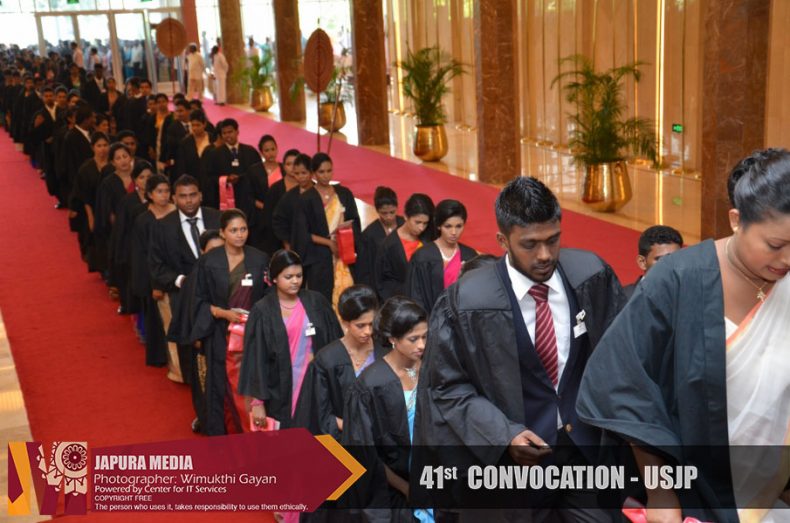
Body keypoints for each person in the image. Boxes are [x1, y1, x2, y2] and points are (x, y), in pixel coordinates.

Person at [577, 149, 790, 523]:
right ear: (736, 220)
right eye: (775, 245)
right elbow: (624, 387)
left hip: (773, 483)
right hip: (692, 490)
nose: (787, 259)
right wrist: (661, 493)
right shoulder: (677, 279)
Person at [412, 176, 626, 522]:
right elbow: (445, 387)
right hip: (513, 470)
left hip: (584, 455)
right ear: (503, 241)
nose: (544, 255)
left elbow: (621, 359)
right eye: (530, 244)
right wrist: (504, 433)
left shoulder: (591, 276)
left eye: (553, 240)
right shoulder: (467, 302)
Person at [342, 296, 432, 523]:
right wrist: (405, 487)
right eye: (413, 339)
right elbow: (365, 453)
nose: (421, 345)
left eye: (425, 336)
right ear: (393, 338)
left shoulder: (431, 370)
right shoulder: (370, 385)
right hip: (393, 493)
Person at [239, 250, 342, 429]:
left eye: (299, 276)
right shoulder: (262, 311)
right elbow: (256, 358)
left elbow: (335, 341)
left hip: (315, 381)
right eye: (288, 277)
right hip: (280, 387)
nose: (295, 281)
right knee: (287, 436)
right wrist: (257, 402)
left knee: (318, 430)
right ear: (274, 278)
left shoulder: (316, 301)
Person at [191, 209, 269, 435]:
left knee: (252, 381)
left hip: (252, 334)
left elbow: (268, 296)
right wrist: (223, 314)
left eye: (243, 229)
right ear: (222, 233)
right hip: (220, 334)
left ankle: (253, 432)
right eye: (233, 230)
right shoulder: (209, 261)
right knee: (222, 385)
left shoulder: (259, 259)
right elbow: (197, 300)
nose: (240, 234)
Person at [148, 174, 221, 382]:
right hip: (181, 295)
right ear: (174, 198)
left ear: (201, 195)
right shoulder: (162, 226)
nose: (188, 200)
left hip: (219, 292)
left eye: (192, 195)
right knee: (188, 342)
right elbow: (156, 266)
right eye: (182, 196)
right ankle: (193, 384)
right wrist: (181, 281)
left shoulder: (217, 218)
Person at [296, 284, 382, 438]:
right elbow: (319, 414)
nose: (368, 332)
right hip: (344, 440)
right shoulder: (327, 360)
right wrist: (354, 427)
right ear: (345, 322)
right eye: (360, 326)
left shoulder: (383, 351)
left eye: (371, 324)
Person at [293, 152, 362, 307]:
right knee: (323, 298)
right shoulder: (306, 199)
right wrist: (329, 243)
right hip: (319, 256)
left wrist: (344, 236)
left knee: (348, 294)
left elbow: (355, 221)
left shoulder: (344, 194)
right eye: (321, 172)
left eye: (329, 171)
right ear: (313, 173)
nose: (326, 175)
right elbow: (302, 233)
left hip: (344, 252)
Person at [130, 173, 175, 367]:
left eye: (167, 191)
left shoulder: (177, 213)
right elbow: (141, 255)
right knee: (157, 318)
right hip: (154, 275)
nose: (164, 195)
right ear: (149, 194)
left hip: (177, 271)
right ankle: (161, 357)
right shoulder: (143, 220)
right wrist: (153, 284)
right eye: (159, 191)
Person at [406, 199, 477, 312]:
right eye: (448, 226)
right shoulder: (422, 256)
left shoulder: (470, 255)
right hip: (430, 318)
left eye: (459, 226)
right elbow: (415, 296)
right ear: (439, 226)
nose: (454, 232)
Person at [110, 160, 153, 315]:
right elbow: (121, 231)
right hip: (133, 253)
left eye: (149, 177)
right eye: (142, 177)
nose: (146, 180)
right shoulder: (127, 202)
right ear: (135, 180)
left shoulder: (159, 200)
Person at [375, 193, 434, 300]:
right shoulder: (389, 245)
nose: (421, 228)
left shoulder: (429, 237)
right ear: (406, 216)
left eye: (425, 223)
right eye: (417, 222)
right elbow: (384, 282)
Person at [95, 142, 135, 290]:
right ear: (112, 162)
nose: (123, 160)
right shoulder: (108, 183)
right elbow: (106, 211)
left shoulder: (140, 178)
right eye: (118, 158)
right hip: (119, 232)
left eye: (125, 156)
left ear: (131, 157)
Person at [70, 132, 111, 270]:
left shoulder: (113, 165)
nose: (102, 149)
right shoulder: (86, 169)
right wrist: (90, 217)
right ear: (93, 147)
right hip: (92, 209)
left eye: (105, 145)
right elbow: (84, 196)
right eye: (99, 145)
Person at [210, 118, 262, 214]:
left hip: (247, 198)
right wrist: (225, 179)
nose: (227, 135)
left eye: (230, 132)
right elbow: (210, 176)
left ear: (237, 131)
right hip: (226, 199)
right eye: (224, 133)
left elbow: (258, 173)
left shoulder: (250, 151)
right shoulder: (215, 154)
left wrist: (241, 177)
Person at [622, 224, 683, 299]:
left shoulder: (691, 296)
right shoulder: (622, 299)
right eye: (661, 260)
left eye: (675, 259)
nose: (669, 266)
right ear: (642, 262)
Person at [257, 148, 300, 255]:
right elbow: (268, 217)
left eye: (296, 164)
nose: (292, 167)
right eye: (289, 164)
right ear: (283, 166)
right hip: (276, 240)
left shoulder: (309, 187)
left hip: (303, 236)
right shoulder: (275, 189)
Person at [272, 153, 314, 251]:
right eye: (297, 174)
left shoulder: (319, 192)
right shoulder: (288, 197)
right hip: (297, 246)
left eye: (304, 173)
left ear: (311, 172)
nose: (300, 177)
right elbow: (279, 221)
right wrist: (287, 243)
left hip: (320, 246)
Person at [175, 110, 216, 207]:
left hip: (210, 183)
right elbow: (181, 165)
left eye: (198, 125)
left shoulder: (212, 139)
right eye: (192, 125)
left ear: (204, 124)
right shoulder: (185, 142)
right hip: (192, 181)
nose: (195, 128)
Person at [162, 99, 190, 180]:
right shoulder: (172, 128)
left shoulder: (194, 125)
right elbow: (171, 146)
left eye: (181, 111)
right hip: (179, 164)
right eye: (177, 111)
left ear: (188, 111)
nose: (179, 114)